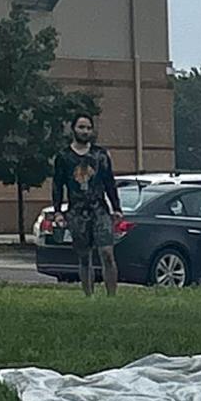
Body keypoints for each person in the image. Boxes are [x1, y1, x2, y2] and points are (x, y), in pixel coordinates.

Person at [52, 113, 122, 298]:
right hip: (76, 212)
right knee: (84, 257)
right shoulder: (64, 157)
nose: (85, 131)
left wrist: (116, 208)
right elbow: (58, 185)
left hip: (99, 209)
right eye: (81, 127)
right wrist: (58, 211)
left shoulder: (100, 155)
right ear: (73, 129)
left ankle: (112, 297)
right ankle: (89, 296)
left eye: (88, 128)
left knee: (107, 252)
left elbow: (109, 182)